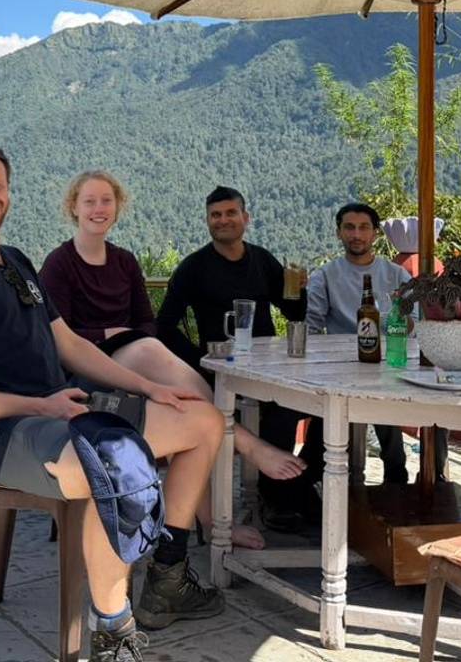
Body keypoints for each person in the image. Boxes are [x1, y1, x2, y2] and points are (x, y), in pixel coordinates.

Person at [0, 136, 226, 661]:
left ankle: (168, 574)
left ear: (8, 191)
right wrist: (39, 406)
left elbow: (70, 344)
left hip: (65, 413)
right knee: (115, 464)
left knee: (203, 421)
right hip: (6, 434)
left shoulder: (15, 262)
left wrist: (148, 387)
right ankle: (113, 633)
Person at [41, 171, 304, 549]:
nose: (99, 208)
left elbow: (147, 322)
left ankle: (212, 521)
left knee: (186, 407)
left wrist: (128, 337)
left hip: (135, 362)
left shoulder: (124, 262)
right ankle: (245, 444)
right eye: (90, 201)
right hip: (85, 371)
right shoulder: (60, 264)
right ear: (74, 208)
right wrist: (108, 334)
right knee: (151, 352)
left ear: (117, 207)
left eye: (106, 200)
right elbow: (56, 336)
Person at [156, 186, 317, 530]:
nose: (223, 220)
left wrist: (298, 290)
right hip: (221, 372)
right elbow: (164, 326)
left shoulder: (261, 260)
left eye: (231, 213)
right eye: (216, 215)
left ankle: (295, 486)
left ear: (246, 218)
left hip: (267, 367)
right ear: (207, 221)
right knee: (281, 410)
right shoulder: (193, 268)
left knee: (315, 405)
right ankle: (282, 495)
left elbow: (293, 313)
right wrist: (201, 360)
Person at [306, 202, 412, 483]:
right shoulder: (324, 275)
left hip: (388, 364)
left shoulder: (396, 275)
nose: (356, 234)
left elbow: (414, 324)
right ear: (339, 233)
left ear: (375, 233)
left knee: (386, 398)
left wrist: (397, 321)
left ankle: (399, 481)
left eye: (364, 227)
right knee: (334, 407)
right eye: (349, 228)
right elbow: (312, 327)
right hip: (340, 368)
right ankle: (317, 480)